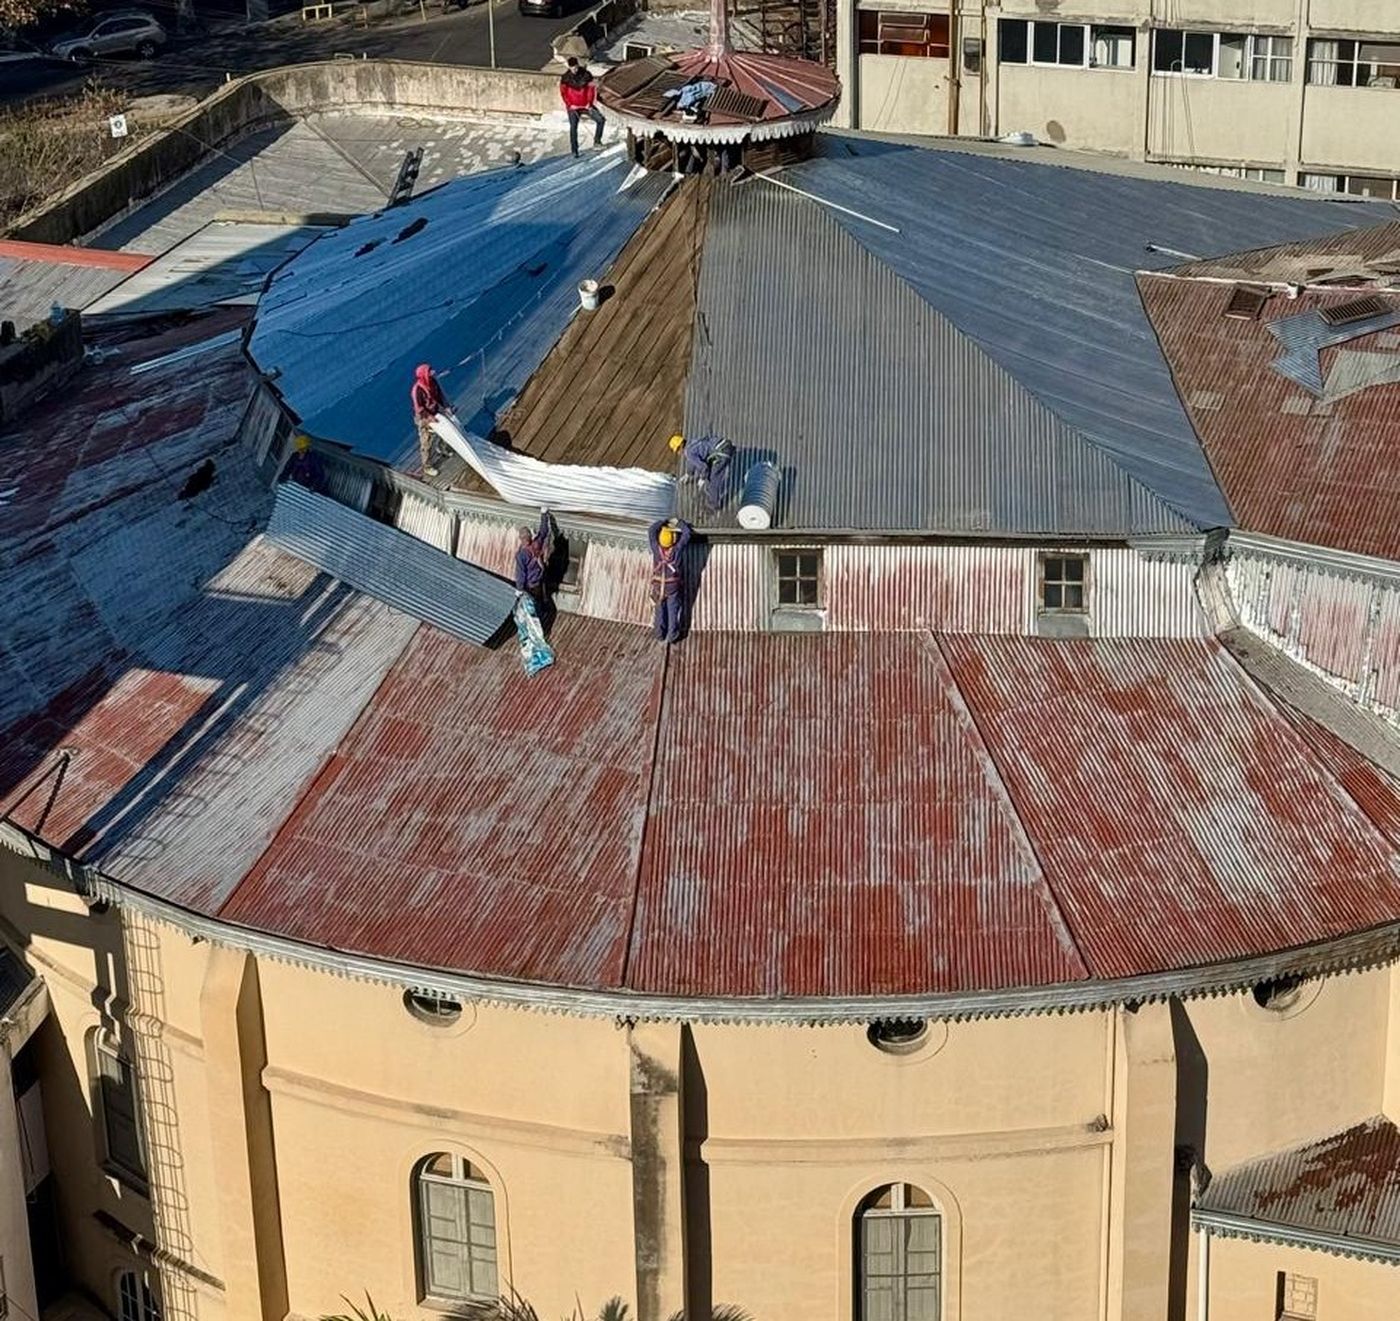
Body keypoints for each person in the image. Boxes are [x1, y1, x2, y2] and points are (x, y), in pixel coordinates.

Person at [648, 517, 691, 644]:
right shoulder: (676, 550)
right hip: (672, 586)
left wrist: (663, 522)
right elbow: (687, 534)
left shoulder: (656, 549)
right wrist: (679, 523)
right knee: (673, 611)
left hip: (658, 585)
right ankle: (672, 635)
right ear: (673, 539)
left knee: (659, 610)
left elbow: (651, 531)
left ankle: (659, 634)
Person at [669, 432, 733, 509]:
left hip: (722, 453)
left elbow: (704, 467)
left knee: (712, 480)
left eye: (677, 450)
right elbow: (692, 462)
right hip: (726, 445)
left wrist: (702, 478)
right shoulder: (692, 443)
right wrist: (689, 474)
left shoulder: (688, 452)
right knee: (713, 467)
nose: (678, 453)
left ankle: (713, 504)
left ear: (681, 445)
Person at [410, 363, 450, 478]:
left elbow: (440, 396)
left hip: (434, 412)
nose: (432, 372)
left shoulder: (433, 382)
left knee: (446, 431)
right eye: (429, 371)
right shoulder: (417, 390)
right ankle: (427, 467)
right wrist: (429, 418)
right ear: (423, 375)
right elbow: (419, 409)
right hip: (424, 417)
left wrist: (446, 407)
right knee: (426, 442)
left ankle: (441, 448)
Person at [560, 57, 605, 158]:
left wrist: (589, 103)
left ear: (578, 65)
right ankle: (574, 150)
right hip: (573, 107)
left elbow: (591, 89)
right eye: (572, 68)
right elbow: (563, 93)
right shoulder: (565, 78)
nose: (574, 70)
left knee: (600, 120)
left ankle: (597, 142)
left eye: (575, 68)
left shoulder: (586, 75)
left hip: (586, 105)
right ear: (569, 67)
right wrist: (570, 105)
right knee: (573, 128)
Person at [515, 507, 555, 612]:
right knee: (541, 600)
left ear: (521, 539)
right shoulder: (536, 544)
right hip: (541, 578)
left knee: (533, 606)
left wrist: (519, 589)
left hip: (531, 585)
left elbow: (521, 573)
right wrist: (544, 515)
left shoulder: (521, 555)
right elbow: (544, 531)